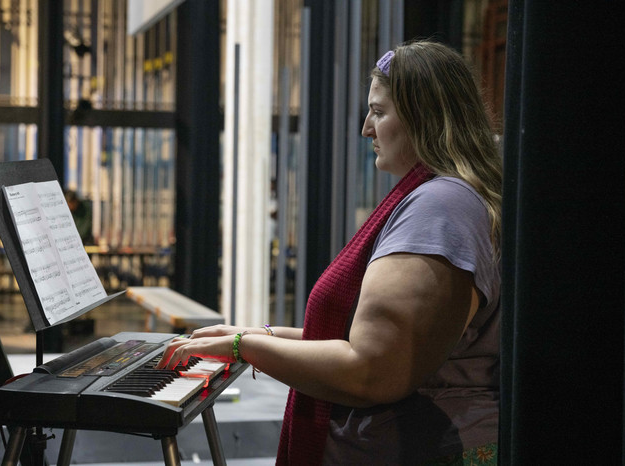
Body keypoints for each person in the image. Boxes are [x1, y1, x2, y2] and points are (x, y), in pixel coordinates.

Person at [157, 40, 502, 465]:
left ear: (425, 116)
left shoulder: (441, 205)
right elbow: (364, 341)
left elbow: (371, 370)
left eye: (378, 111)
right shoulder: (449, 197)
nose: (366, 128)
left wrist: (242, 347)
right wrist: (256, 336)